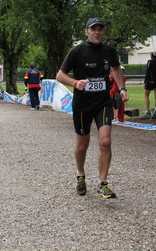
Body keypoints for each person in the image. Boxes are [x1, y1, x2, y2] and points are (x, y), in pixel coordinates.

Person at [56, 17, 129, 199]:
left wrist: (122, 88)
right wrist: (75, 82)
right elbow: (60, 75)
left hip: (102, 103)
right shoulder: (77, 51)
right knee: (83, 145)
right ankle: (80, 176)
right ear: (86, 32)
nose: (97, 32)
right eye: (93, 29)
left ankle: (103, 184)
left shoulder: (109, 51)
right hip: (82, 105)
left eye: (100, 29)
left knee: (105, 141)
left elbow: (117, 69)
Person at [142, 51, 156, 116]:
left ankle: (147, 111)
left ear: (151, 55)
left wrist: (145, 82)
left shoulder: (150, 62)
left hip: (150, 81)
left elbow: (147, 72)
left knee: (146, 95)